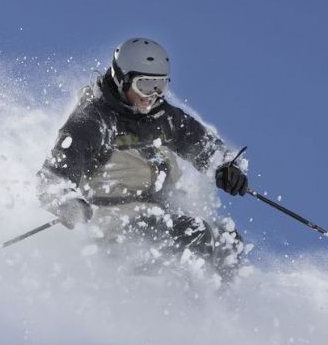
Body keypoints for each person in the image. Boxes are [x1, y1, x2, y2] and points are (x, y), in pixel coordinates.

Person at [37, 38, 249, 278]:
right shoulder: (92, 120)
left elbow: (198, 141)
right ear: (122, 79)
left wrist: (225, 167)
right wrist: (67, 201)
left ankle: (223, 308)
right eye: (145, 85)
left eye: (160, 85)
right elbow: (52, 178)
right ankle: (186, 309)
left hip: (158, 213)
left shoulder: (159, 115)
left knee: (228, 242)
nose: (153, 95)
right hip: (116, 223)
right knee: (195, 234)